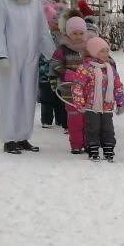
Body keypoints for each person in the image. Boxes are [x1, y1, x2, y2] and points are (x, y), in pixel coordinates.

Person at [0, 0, 55, 154]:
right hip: (10, 58)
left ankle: (23, 136)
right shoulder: (1, 0)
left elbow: (43, 32)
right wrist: (1, 55)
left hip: (30, 58)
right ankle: (9, 138)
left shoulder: (35, 2)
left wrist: (54, 56)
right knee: (10, 97)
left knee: (28, 97)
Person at [69, 37, 124, 161]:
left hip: (107, 105)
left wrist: (121, 102)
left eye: (107, 51)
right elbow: (77, 86)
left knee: (108, 128)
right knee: (93, 128)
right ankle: (93, 149)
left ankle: (109, 149)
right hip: (91, 106)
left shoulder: (110, 68)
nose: (107, 54)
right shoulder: (85, 68)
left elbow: (117, 86)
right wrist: (80, 103)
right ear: (94, 52)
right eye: (103, 51)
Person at [51, 17, 92, 156]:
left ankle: (87, 142)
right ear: (68, 33)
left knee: (88, 118)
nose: (78, 37)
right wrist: (68, 74)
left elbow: (99, 61)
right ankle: (76, 144)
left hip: (88, 90)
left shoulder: (89, 47)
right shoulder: (62, 49)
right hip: (70, 90)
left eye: (81, 33)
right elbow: (55, 65)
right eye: (74, 33)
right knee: (75, 118)